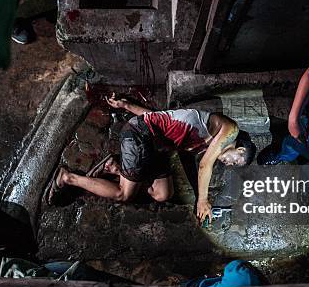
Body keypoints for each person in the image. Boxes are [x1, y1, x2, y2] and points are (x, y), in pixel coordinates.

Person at [51, 94, 256, 224]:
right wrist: (203, 200)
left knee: (162, 194)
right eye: (236, 161)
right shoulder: (230, 129)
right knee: (124, 195)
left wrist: (126, 105)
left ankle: (117, 167)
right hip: (139, 136)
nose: (230, 165)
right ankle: (68, 177)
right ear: (239, 148)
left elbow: (160, 117)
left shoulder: (206, 141)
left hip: (155, 147)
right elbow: (204, 166)